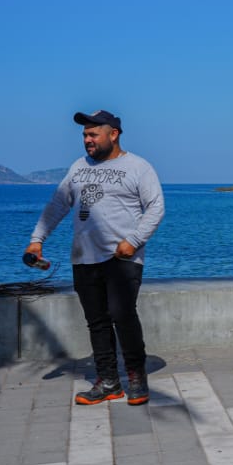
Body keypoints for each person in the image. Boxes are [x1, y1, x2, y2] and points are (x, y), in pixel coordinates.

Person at [26, 110, 165, 407]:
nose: (87, 140)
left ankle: (136, 377)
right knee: (97, 322)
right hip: (84, 258)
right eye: (85, 136)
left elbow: (156, 208)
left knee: (122, 315)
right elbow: (57, 205)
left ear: (113, 134)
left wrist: (133, 241)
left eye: (93, 134)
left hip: (122, 257)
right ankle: (108, 381)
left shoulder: (138, 167)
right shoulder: (78, 167)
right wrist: (37, 240)